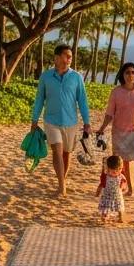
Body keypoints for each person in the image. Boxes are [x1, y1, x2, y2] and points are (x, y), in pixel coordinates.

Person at [30, 43, 91, 198]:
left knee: (66, 154)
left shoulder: (76, 77)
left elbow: (82, 101)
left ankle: (62, 181)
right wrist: (34, 119)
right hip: (51, 121)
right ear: (57, 58)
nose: (69, 59)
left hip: (71, 122)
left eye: (71, 57)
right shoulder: (46, 77)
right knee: (57, 151)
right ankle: (61, 186)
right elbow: (39, 99)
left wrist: (87, 122)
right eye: (67, 56)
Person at [97, 62, 134, 198]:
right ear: (122, 75)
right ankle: (130, 189)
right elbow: (110, 113)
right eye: (127, 72)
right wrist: (102, 127)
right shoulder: (116, 92)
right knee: (124, 162)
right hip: (119, 132)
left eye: (133, 72)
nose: (130, 75)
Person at [96, 154, 128, 223]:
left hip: (117, 195)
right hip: (107, 195)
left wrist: (123, 187)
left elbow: (124, 182)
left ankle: (120, 217)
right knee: (105, 207)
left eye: (119, 169)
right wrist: (98, 192)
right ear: (108, 168)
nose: (116, 172)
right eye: (114, 170)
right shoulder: (106, 176)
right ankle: (104, 217)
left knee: (119, 206)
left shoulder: (121, 176)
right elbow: (101, 184)